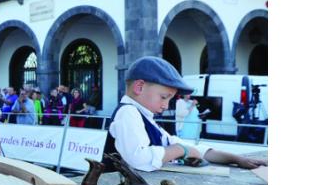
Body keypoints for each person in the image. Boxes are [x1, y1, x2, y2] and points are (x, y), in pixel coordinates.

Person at [106, 56, 268, 173]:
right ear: (139, 87)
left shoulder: (145, 118)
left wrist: (237, 159)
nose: (166, 105)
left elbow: (192, 149)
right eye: (164, 97)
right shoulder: (128, 112)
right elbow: (139, 159)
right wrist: (179, 150)